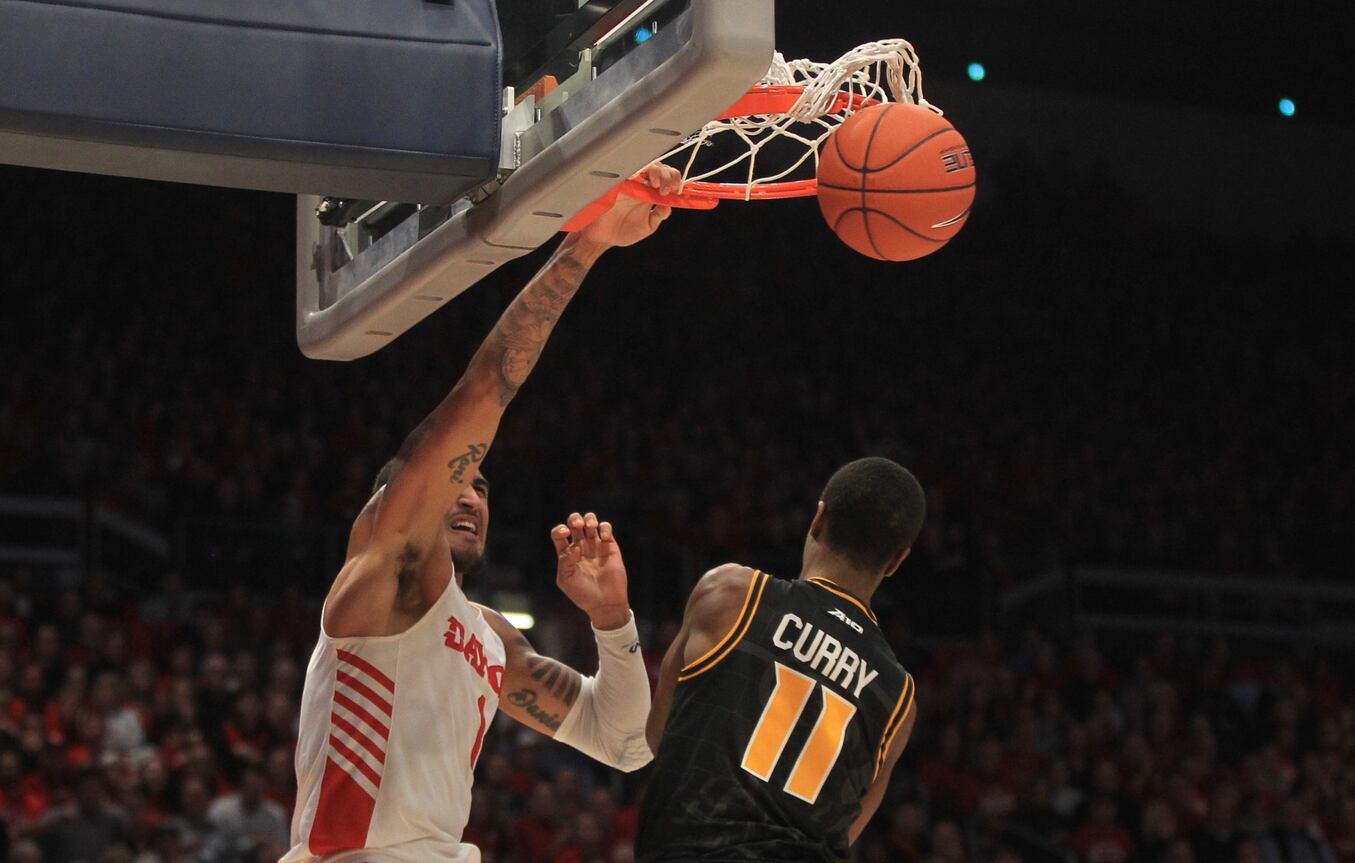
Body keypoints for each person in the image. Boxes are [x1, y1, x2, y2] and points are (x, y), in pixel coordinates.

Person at [281, 166, 681, 863]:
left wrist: (612, 620)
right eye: (461, 478)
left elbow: (625, 742)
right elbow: (486, 390)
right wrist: (584, 246)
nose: (470, 494)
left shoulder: (490, 638)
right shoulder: (384, 571)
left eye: (485, 488)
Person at [636, 457, 925, 862]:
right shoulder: (900, 700)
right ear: (897, 561)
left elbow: (657, 735)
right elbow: (846, 830)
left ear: (818, 519)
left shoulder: (734, 596)